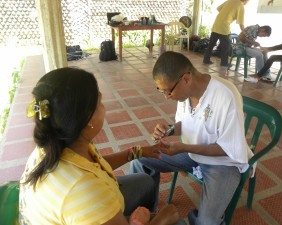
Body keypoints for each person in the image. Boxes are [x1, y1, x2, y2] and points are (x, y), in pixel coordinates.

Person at [19, 67, 187, 225]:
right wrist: (161, 220)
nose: (104, 107)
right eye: (100, 102)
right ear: (88, 120)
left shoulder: (55, 144)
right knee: (176, 221)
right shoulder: (84, 191)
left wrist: (138, 152)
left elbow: (95, 166)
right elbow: (87, 190)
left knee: (145, 182)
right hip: (88, 202)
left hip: (86, 205)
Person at [129, 51, 253, 225]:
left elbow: (228, 148)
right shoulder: (184, 92)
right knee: (140, 160)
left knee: (208, 222)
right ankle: (146, 215)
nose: (166, 97)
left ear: (186, 79)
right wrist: (170, 130)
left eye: (168, 91)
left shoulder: (225, 96)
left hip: (224, 162)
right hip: (190, 151)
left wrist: (185, 148)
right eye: (161, 91)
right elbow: (186, 123)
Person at [203, 0, 249, 67]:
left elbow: (219, 9)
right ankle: (224, 63)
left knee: (211, 44)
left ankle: (206, 60)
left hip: (216, 24)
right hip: (224, 26)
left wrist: (228, 14)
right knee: (226, 46)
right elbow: (241, 23)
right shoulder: (241, 5)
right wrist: (245, 32)